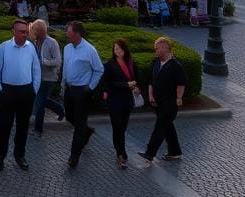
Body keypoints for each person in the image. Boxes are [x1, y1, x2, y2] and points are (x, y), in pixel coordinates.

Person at [0, 19, 41, 172]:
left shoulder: (30, 47)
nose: (24, 34)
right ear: (13, 31)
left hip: (26, 91)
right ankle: (0, 156)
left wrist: (34, 90)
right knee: (4, 125)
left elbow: (36, 69)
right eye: (21, 31)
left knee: (23, 125)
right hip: (8, 91)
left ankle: (20, 155)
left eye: (26, 31)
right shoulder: (4, 47)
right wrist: (0, 89)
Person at [62, 20, 104, 169]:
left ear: (77, 33)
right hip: (69, 89)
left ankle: (74, 156)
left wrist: (90, 87)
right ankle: (86, 131)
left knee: (79, 124)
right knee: (69, 116)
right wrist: (63, 87)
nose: (67, 34)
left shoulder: (89, 50)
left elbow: (99, 69)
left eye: (69, 32)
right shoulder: (67, 48)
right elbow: (65, 69)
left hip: (82, 91)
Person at [139, 37, 187, 163]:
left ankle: (150, 153)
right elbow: (151, 80)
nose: (156, 50)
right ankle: (175, 152)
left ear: (166, 48)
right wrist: (150, 95)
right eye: (155, 48)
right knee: (168, 127)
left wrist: (179, 98)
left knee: (160, 127)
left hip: (170, 104)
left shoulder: (176, 66)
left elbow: (181, 84)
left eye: (158, 48)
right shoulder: (156, 62)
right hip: (157, 103)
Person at [102, 38, 141, 169]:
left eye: (120, 49)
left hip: (127, 101)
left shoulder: (131, 64)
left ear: (125, 50)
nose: (117, 51)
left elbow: (138, 78)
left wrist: (136, 87)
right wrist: (126, 84)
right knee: (118, 127)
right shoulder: (110, 64)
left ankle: (119, 148)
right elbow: (107, 83)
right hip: (114, 100)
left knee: (122, 128)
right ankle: (122, 154)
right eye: (115, 49)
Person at [29, 20, 64, 135]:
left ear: (39, 31)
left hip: (48, 79)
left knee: (39, 103)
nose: (32, 32)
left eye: (34, 30)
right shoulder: (35, 41)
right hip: (38, 78)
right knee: (42, 101)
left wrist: (44, 62)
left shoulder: (52, 43)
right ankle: (60, 110)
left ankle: (38, 130)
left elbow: (58, 61)